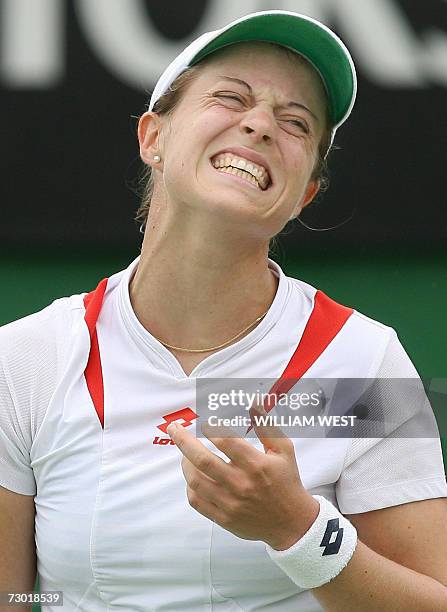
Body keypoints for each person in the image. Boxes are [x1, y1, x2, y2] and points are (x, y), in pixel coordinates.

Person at [1, 10, 446, 612]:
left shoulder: (361, 362)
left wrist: (301, 533)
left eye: (296, 123)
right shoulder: (25, 359)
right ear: (152, 137)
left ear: (303, 195)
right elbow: (13, 596)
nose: (260, 125)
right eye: (231, 98)